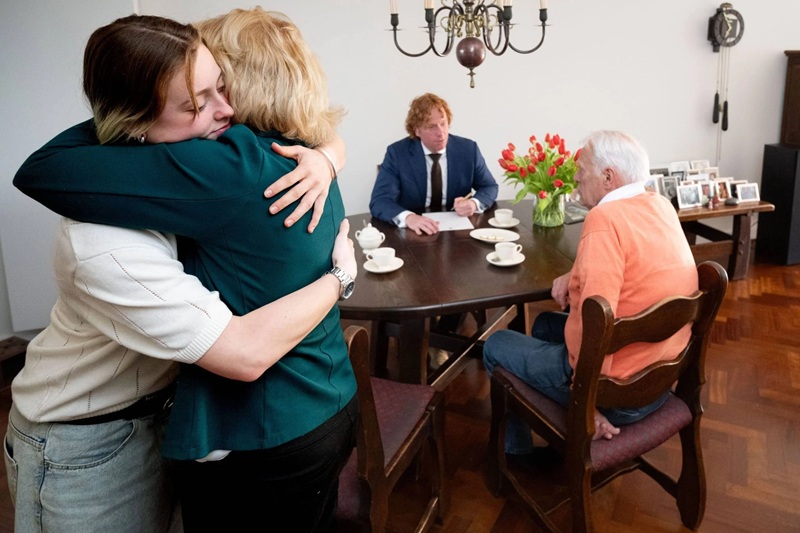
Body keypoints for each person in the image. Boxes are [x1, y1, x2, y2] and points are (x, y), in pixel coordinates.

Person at [10, 10, 356, 533]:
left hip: (180, 413)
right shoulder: (110, 231)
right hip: (86, 432)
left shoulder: (234, 163)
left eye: (222, 86)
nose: (225, 109)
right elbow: (243, 352)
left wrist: (329, 155)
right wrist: (339, 278)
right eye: (196, 102)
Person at [482, 130, 699, 462]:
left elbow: (598, 323)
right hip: (659, 380)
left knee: (496, 343)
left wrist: (587, 404)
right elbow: (636, 265)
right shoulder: (660, 206)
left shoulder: (603, 219)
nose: (576, 179)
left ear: (608, 177)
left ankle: (519, 453)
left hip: (617, 397)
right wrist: (575, 274)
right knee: (543, 324)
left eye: (582, 171)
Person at [369, 92, 498, 236]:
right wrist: (409, 218)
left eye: (443, 124)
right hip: (414, 234)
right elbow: (380, 201)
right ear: (417, 130)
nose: (440, 133)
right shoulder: (397, 154)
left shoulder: (468, 150)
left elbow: (489, 186)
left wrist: (474, 203)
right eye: (431, 127)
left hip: (457, 233)